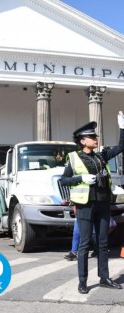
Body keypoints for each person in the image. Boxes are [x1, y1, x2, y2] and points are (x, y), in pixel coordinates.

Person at [60, 111, 124, 294]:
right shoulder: (73, 158)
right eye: (91, 137)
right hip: (85, 205)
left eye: (95, 137)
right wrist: (80, 178)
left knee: (103, 243)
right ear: (82, 141)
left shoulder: (101, 156)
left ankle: (104, 278)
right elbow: (64, 180)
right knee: (84, 244)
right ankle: (83, 282)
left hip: (103, 203)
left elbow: (121, 146)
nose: (96, 139)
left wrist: (122, 128)